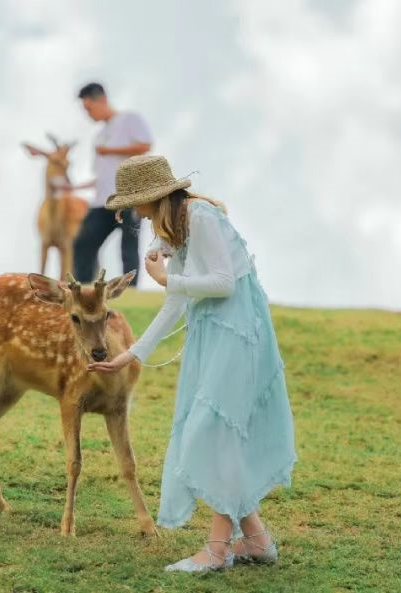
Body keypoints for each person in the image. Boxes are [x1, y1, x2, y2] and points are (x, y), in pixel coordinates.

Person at [88, 155, 297, 574]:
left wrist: (167, 277)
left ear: (154, 197)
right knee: (216, 430)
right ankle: (256, 540)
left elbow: (222, 283)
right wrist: (132, 353)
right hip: (213, 332)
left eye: (136, 203)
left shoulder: (200, 217)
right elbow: (178, 301)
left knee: (217, 431)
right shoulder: (175, 227)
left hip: (238, 332)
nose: (134, 212)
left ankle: (216, 551)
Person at [68, 82, 153, 284]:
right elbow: (103, 175)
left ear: (102, 100)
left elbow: (145, 145)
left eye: (89, 108)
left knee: (128, 247)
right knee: (82, 243)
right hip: (101, 202)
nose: (88, 114)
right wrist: (74, 188)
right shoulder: (98, 136)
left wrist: (110, 151)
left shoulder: (129, 119)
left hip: (128, 196)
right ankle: (82, 293)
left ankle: (128, 293)